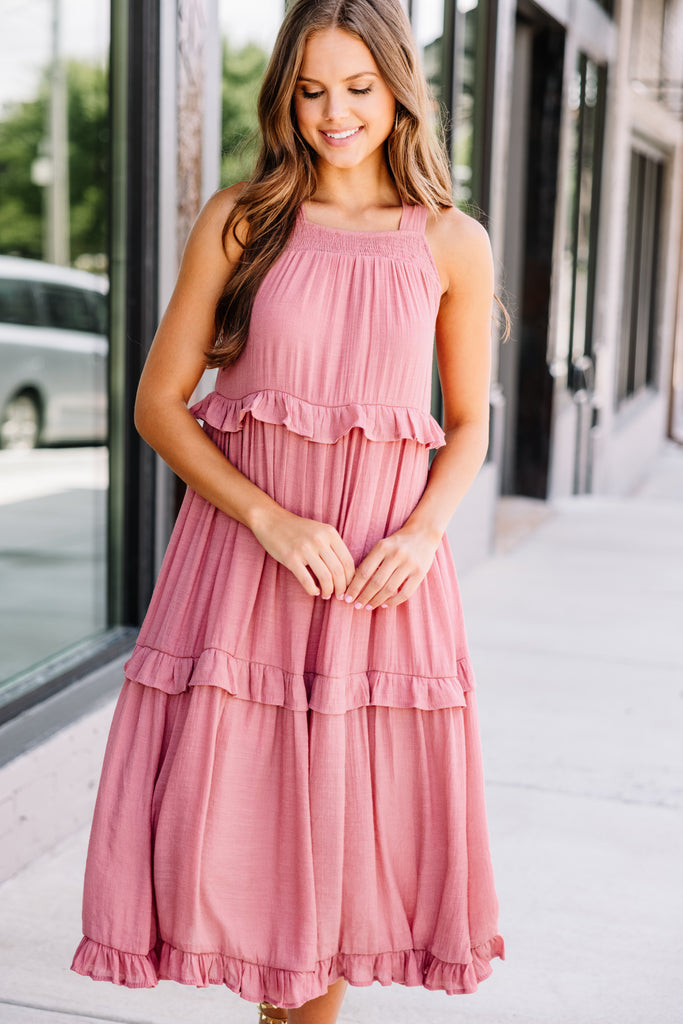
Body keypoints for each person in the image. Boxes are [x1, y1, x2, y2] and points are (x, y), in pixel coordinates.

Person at [71, 0, 505, 1021]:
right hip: (244, 570)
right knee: (246, 849)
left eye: (356, 87)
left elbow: (468, 423)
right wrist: (266, 518)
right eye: (310, 90)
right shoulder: (242, 219)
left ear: (399, 88)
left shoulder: (450, 241)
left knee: (346, 859)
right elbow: (158, 405)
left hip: (376, 583)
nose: (332, 112)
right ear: (284, 95)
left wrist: (420, 530)